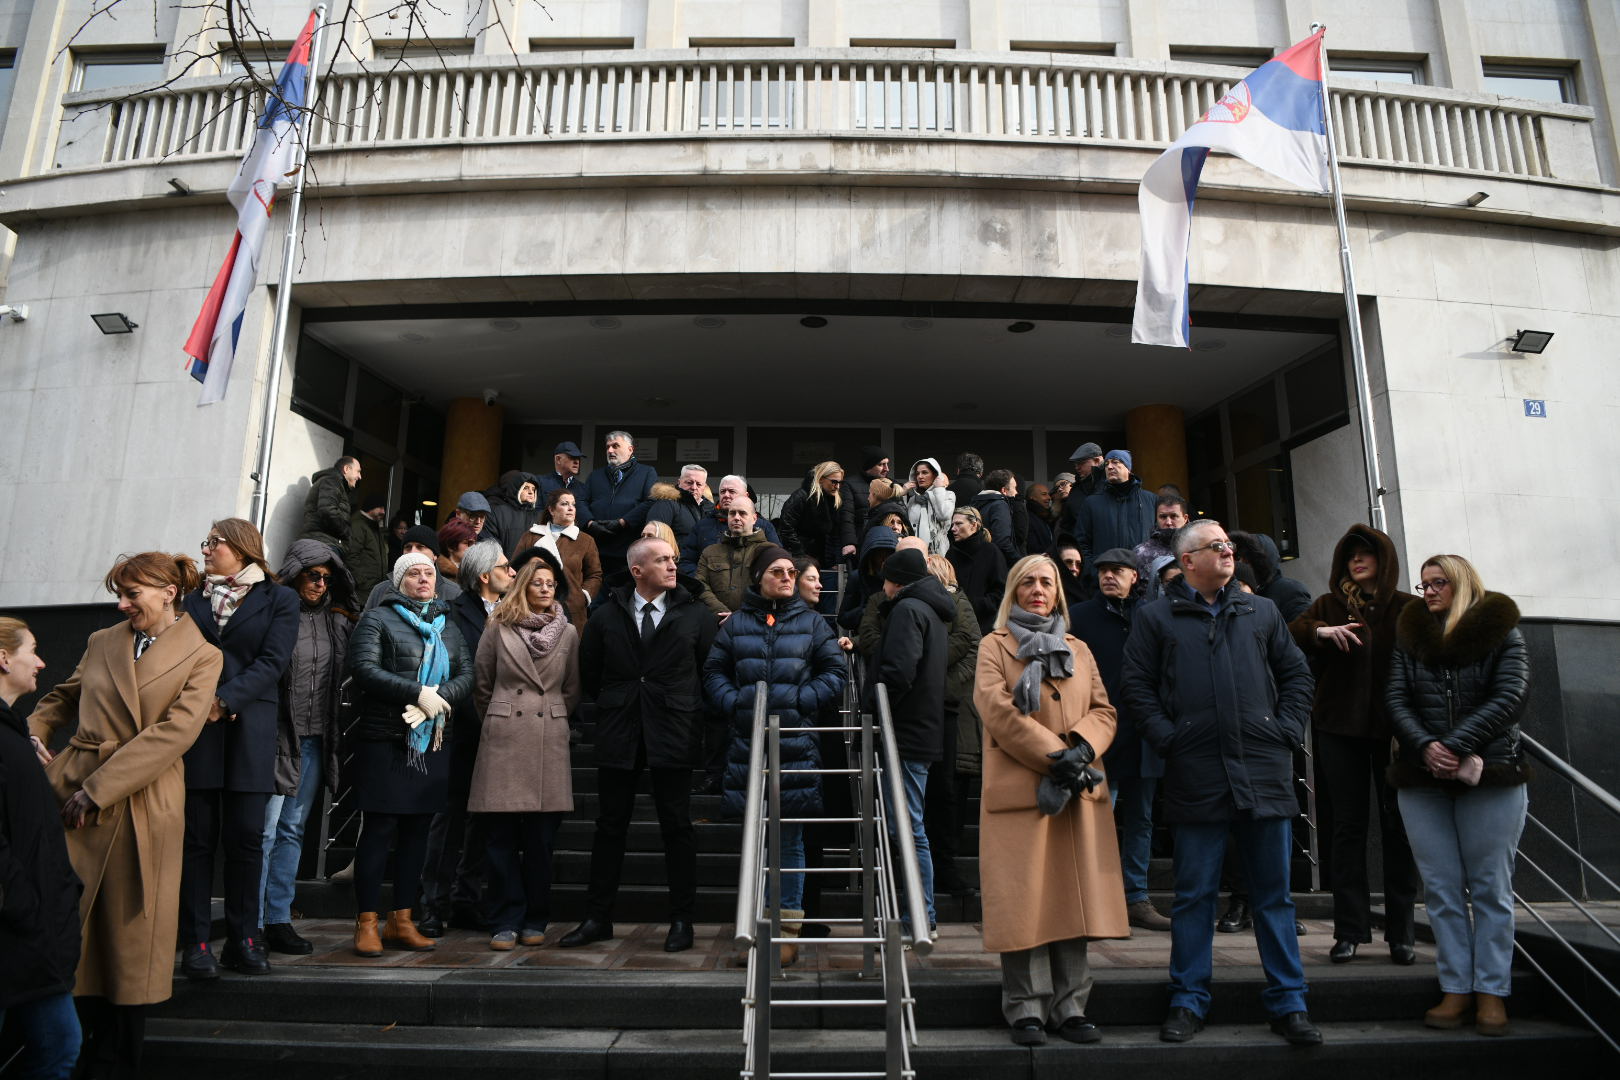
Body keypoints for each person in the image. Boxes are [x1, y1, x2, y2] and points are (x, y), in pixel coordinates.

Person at [1120, 519, 1320, 1046]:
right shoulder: (1156, 617)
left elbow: (1297, 675)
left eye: (1229, 544)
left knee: (1274, 897)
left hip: (1264, 770)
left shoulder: (1263, 611)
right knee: (1194, 897)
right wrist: (1171, 738)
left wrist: (1283, 730)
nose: (1229, 551)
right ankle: (1188, 1000)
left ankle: (1290, 1003)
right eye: (1216, 546)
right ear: (1187, 561)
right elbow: (1136, 687)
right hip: (1197, 772)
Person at [28, 554, 222, 1078]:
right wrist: (31, 734)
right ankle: (65, 1051)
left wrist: (99, 789)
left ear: (168, 592)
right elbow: (61, 698)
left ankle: (113, 1061)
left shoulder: (204, 656)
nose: (122, 604)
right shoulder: (102, 642)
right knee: (70, 931)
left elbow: (174, 734)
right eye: (120, 593)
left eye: (132, 594)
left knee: (128, 939)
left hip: (143, 801)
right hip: (72, 794)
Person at [975, 553, 1128, 1046]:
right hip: (1023, 792)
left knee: (1071, 900)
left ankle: (1071, 1007)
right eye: (1028, 582)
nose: (1038, 589)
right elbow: (997, 709)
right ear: (1014, 591)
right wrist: (1055, 756)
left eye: (1046, 582)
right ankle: (1026, 1008)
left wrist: (1081, 748)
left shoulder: (1079, 648)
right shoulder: (994, 645)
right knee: (1025, 903)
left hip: (1077, 788)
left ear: (1058, 591)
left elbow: (1104, 710)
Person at [1387, 554, 1530, 1036]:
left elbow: (1511, 695)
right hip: (1422, 779)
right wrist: (1427, 747)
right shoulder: (1410, 635)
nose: (1428, 591)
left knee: (1490, 887)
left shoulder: (1501, 630)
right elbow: (1395, 699)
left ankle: (1492, 992)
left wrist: (1453, 744)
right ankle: (1456, 989)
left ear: (1463, 583)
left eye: (1438, 583)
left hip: (1490, 776)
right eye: (1424, 584)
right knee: (1442, 889)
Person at [560, 537, 719, 953]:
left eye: (673, 559)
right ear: (637, 571)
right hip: (620, 730)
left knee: (677, 826)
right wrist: (620, 701)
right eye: (662, 560)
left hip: (674, 730)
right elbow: (590, 671)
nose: (673, 566)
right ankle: (597, 918)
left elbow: (709, 669)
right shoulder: (606, 615)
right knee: (610, 827)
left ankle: (682, 920)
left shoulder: (696, 614)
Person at [704, 546, 845, 966]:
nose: (786, 577)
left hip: (796, 744)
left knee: (790, 841)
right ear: (758, 577)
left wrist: (800, 701)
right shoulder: (737, 623)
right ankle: (753, 929)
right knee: (754, 842)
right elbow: (713, 671)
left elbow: (835, 672)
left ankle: (784, 933)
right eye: (777, 572)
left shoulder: (813, 622)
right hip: (748, 744)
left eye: (790, 572)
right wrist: (735, 704)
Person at [1289, 525, 1419, 966]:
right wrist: (1321, 632)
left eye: (1366, 553)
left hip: (1396, 734)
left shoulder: (1408, 608)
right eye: (1350, 556)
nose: (1357, 561)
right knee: (1346, 828)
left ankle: (1402, 933)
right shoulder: (1329, 605)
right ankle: (1349, 931)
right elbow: (1292, 631)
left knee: (1398, 828)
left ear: (1385, 560)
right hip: (1338, 729)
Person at [179, 518, 300, 978]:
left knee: (247, 840)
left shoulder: (280, 598)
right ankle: (195, 944)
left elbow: (273, 661)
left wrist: (226, 700)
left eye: (215, 543)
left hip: (250, 731)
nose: (206, 550)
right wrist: (204, 705)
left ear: (242, 548)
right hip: (198, 732)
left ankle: (244, 940)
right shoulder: (191, 601)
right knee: (196, 842)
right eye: (206, 542)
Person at [345, 553, 475, 957]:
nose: (423, 579)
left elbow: (467, 674)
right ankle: (367, 921)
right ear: (399, 581)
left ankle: (402, 920)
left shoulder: (448, 625)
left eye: (429, 573)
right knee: (379, 830)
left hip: (432, 741)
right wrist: (416, 693)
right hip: (386, 740)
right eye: (414, 573)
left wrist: (437, 699)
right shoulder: (377, 619)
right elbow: (364, 669)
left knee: (418, 832)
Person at [471, 547, 582, 950]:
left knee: (540, 841)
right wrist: (500, 715)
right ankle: (505, 919)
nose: (546, 589)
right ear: (522, 587)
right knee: (500, 841)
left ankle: (536, 916)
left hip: (547, 736)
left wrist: (552, 716)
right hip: (504, 736)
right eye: (538, 583)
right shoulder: (498, 626)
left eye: (551, 584)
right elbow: (482, 684)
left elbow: (571, 689)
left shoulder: (568, 633)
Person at [260, 541, 356, 957]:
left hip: (315, 738)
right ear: (295, 573)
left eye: (327, 579)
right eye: (312, 575)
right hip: (275, 737)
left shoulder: (337, 620)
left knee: (292, 830)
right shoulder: (276, 613)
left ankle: (278, 918)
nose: (319, 584)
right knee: (264, 832)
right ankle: (253, 921)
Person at [417, 540, 514, 937]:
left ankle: (467, 901)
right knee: (449, 820)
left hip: (499, 732)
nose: (512, 572)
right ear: (484, 575)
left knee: (483, 821)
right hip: (460, 730)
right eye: (505, 566)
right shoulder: (452, 615)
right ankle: (433, 905)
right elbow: (451, 669)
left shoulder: (513, 613)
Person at [1068, 548, 1169, 932]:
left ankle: (1135, 898)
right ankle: (1093, 899)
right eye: (1103, 571)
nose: (1109, 576)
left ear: (1134, 577)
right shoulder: (1079, 617)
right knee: (1096, 818)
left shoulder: (1152, 615)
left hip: (1144, 734)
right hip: (1098, 733)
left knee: (1141, 819)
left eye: (1117, 570)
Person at [1, 618, 83, 1080]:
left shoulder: (13, 733)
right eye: (32, 650)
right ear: (3, 658)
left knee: (60, 1046)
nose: (41, 661)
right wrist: (26, 905)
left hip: (32, 934)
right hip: (18, 928)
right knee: (58, 1048)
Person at [873, 547, 954, 929]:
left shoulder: (907, 610)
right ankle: (920, 915)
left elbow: (899, 672)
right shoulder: (931, 610)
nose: (883, 588)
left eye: (886, 580)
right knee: (909, 826)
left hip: (904, 731)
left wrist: (877, 708)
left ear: (898, 581)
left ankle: (919, 917)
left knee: (907, 828)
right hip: (921, 728)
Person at [920, 554, 983, 898]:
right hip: (933, 709)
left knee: (949, 792)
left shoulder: (959, 603)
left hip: (955, 710)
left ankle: (945, 867)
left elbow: (972, 647)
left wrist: (940, 686)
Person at [527, 488, 604, 633]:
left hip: (572, 611)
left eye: (573, 504)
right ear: (551, 510)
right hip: (534, 608)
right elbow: (516, 570)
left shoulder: (585, 540)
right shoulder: (531, 536)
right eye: (564, 504)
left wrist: (582, 596)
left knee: (569, 646)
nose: (570, 508)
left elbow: (595, 574)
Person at [582, 430, 659, 567]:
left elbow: (651, 501)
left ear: (630, 449)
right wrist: (589, 523)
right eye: (608, 447)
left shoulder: (647, 472)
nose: (610, 450)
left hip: (628, 549)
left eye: (615, 446)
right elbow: (581, 501)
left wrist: (623, 522)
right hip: (596, 548)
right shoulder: (595, 475)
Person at [1076, 451, 1156, 582]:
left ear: (1128, 468)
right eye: (1106, 463)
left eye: (1115, 462)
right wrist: (1094, 571)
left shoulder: (1151, 500)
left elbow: (1158, 539)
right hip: (1104, 579)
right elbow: (1081, 542)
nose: (1109, 467)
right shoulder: (1092, 502)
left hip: (1142, 580)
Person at [679, 474, 781, 575]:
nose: (726, 495)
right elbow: (686, 562)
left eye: (732, 491)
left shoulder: (763, 527)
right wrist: (702, 582)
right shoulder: (702, 526)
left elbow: (777, 562)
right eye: (723, 491)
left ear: (746, 496)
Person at [695, 495, 771, 613]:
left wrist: (746, 617)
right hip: (717, 620)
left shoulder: (769, 551)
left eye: (742, 513)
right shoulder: (710, 552)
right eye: (732, 513)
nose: (736, 517)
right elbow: (700, 585)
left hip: (755, 620)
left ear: (754, 518)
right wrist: (721, 612)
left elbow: (775, 588)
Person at [778, 461, 857, 570]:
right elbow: (786, 528)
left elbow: (833, 534)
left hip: (822, 561)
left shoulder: (835, 500)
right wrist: (800, 555)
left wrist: (832, 561)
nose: (837, 486)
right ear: (820, 479)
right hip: (800, 560)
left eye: (840, 483)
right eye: (834, 482)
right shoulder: (801, 497)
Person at [364, 525, 461, 610]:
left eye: (420, 547)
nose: (413, 552)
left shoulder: (453, 593)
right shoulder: (381, 590)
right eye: (408, 547)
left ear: (434, 555)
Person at [945, 506, 1008, 634]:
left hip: (985, 626)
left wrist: (975, 605)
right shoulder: (951, 554)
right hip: (956, 625)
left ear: (973, 525)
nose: (953, 528)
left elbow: (1001, 592)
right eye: (952, 524)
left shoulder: (991, 552)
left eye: (958, 524)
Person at [1230, 531, 1313, 621]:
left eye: (1247, 559)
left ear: (1260, 561)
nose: (1241, 563)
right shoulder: (1243, 591)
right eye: (1238, 558)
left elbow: (1304, 625)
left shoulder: (1289, 589)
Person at [647, 465, 713, 559]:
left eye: (699, 484)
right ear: (679, 482)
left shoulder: (711, 509)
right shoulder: (666, 504)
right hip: (676, 564)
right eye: (689, 482)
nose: (694, 487)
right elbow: (654, 539)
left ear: (704, 487)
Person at [1133, 495, 1189, 600]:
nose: (1168, 522)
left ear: (1185, 518)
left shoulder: (1197, 550)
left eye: (1174, 516)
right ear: (1156, 518)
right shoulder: (1141, 553)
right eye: (1163, 517)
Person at [300, 455, 361, 550]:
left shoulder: (333, 482)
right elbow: (327, 510)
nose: (360, 477)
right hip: (323, 545)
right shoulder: (332, 481)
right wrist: (347, 533)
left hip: (320, 544)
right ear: (346, 469)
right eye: (358, 471)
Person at [902, 457, 955, 555]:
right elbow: (903, 522)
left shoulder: (948, 495)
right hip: (915, 550)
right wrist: (902, 494)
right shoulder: (913, 499)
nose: (920, 476)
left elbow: (943, 515)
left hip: (937, 552)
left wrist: (939, 489)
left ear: (935, 475)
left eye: (924, 472)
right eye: (917, 473)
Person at [970, 469, 1022, 568]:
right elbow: (1002, 542)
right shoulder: (1000, 505)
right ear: (1003, 490)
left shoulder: (975, 503)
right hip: (996, 565)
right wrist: (1020, 562)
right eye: (1014, 488)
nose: (1016, 492)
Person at [482, 470, 541, 553]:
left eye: (533, 489)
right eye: (525, 488)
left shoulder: (538, 516)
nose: (531, 492)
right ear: (516, 490)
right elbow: (489, 543)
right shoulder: (498, 512)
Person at [347, 494, 390, 597]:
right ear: (371, 507)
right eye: (380, 507)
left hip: (372, 589)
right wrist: (361, 581)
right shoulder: (358, 525)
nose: (383, 512)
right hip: (362, 591)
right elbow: (351, 556)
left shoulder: (373, 526)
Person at [844, 445, 890, 538]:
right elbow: (847, 518)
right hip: (862, 541)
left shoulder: (892, 485)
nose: (887, 469)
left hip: (889, 540)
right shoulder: (849, 485)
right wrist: (850, 542)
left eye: (887, 464)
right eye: (881, 464)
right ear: (868, 466)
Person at [536, 440, 590, 513]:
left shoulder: (583, 489)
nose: (577, 462)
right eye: (572, 457)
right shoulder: (540, 482)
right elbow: (536, 512)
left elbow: (585, 516)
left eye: (578, 458)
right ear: (558, 459)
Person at [436, 518, 479, 586]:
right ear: (450, 546)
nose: (472, 547)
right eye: (467, 543)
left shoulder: (476, 571)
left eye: (474, 543)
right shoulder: (437, 574)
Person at [1024, 482, 1056, 556]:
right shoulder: (1028, 518)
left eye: (1048, 494)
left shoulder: (1046, 517)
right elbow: (1032, 548)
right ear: (1032, 497)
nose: (1049, 498)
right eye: (1044, 494)